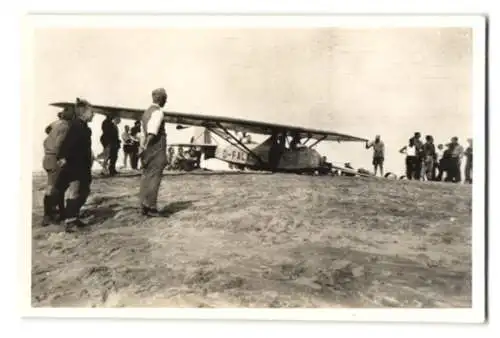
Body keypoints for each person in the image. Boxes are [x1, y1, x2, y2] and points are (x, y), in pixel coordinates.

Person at [55, 98, 94, 232]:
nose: (93, 115)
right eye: (91, 112)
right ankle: (70, 222)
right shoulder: (77, 126)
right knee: (75, 192)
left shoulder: (82, 126)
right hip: (75, 166)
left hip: (81, 166)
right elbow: (67, 144)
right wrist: (62, 158)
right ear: (84, 113)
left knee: (84, 191)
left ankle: (73, 217)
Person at [40, 108, 74, 226]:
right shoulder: (65, 127)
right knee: (57, 187)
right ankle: (50, 215)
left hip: (48, 158)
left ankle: (53, 213)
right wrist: (62, 158)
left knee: (52, 186)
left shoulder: (55, 125)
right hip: (55, 159)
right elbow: (60, 144)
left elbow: (47, 133)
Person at [138, 88, 169, 217]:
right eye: (165, 99)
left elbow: (143, 134)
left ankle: (144, 205)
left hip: (147, 150)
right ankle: (151, 207)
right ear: (161, 99)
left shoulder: (146, 113)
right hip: (156, 149)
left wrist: (142, 147)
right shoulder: (158, 112)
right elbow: (152, 132)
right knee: (154, 178)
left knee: (146, 177)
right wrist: (147, 146)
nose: (166, 101)